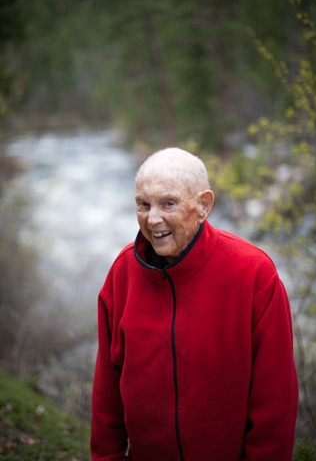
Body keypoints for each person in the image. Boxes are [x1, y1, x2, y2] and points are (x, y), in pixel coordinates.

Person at [91, 148, 298, 461]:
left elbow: (275, 400)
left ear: (203, 205)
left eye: (168, 203)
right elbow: (107, 390)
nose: (152, 218)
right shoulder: (122, 274)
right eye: (143, 204)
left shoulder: (253, 273)